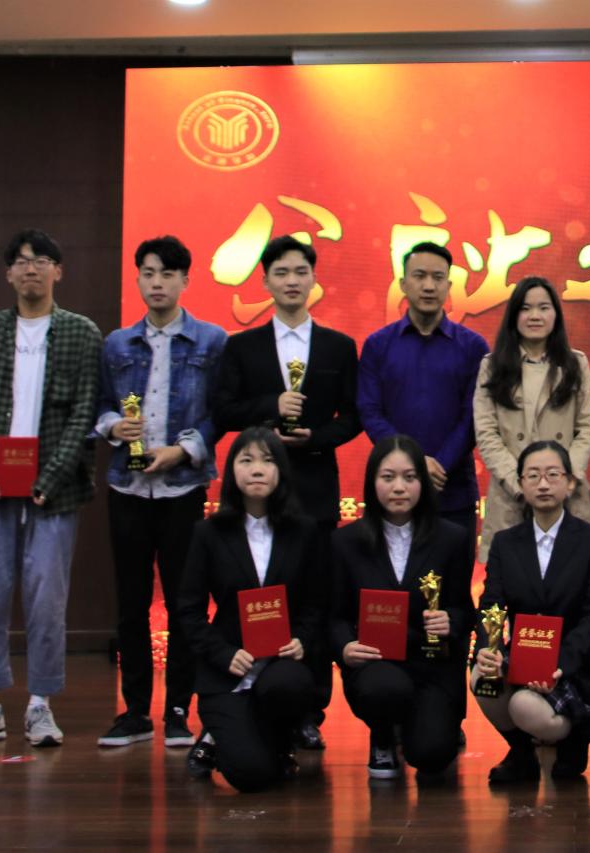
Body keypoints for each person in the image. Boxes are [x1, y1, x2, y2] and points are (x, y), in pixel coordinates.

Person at [0, 229, 102, 749]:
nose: (31, 268)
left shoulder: (81, 332)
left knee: (46, 603)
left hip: (54, 494)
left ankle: (40, 705)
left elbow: (84, 412)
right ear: (8, 273)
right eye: (21, 261)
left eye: (42, 260)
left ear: (59, 271)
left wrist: (51, 475)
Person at [211, 233, 361, 749]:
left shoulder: (339, 346)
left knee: (314, 598)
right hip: (256, 493)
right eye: (281, 273)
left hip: (315, 489)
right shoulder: (241, 346)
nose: (292, 281)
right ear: (265, 281)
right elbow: (224, 410)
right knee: (259, 591)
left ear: (314, 279)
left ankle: (310, 710)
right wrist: (268, 410)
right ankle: (253, 694)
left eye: (300, 272)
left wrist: (315, 437)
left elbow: (353, 418)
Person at [93, 236, 227, 749]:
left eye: (167, 274)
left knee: (183, 602)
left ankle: (177, 712)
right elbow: (101, 404)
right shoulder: (116, 343)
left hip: (182, 488)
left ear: (185, 280)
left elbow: (220, 412)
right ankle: (133, 711)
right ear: (137, 279)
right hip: (127, 487)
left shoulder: (212, 341)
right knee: (130, 602)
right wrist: (112, 426)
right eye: (148, 273)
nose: (157, 283)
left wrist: (184, 449)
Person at [175, 428, 325, 792]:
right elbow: (190, 610)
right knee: (251, 776)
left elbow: (316, 601)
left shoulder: (304, 531)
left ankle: (279, 738)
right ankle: (214, 736)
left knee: (289, 685)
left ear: (281, 471)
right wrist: (223, 653)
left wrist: (302, 639)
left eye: (268, 460)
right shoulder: (209, 533)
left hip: (282, 667)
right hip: (229, 669)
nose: (257, 469)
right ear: (232, 471)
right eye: (246, 460)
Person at [471, 441, 590, 786]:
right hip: (523, 657)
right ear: (521, 484)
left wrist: (560, 663)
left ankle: (573, 739)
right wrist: (489, 647)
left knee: (524, 706)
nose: (543, 484)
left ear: (570, 482)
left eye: (553, 475)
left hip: (576, 663)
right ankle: (521, 753)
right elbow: (492, 603)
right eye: (533, 475)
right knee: (481, 678)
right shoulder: (506, 542)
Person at [331, 435, 475, 781]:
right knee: (384, 690)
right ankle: (382, 733)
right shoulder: (345, 542)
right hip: (376, 665)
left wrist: (451, 621)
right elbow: (335, 615)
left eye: (409, 478)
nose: (399, 487)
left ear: (423, 483)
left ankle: (418, 727)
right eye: (388, 477)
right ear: (372, 482)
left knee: (431, 756)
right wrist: (345, 647)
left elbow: (464, 610)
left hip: (431, 666)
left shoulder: (452, 538)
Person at [359, 242, 491, 554]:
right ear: (403, 284)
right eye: (419, 276)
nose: (429, 286)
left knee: (452, 582)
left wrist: (440, 463)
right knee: (389, 579)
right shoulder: (378, 345)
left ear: (449, 285)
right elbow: (369, 410)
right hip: (392, 494)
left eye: (437, 277)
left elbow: (475, 416)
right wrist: (412, 465)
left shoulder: (473, 347)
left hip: (452, 489)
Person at [473, 276, 590, 562]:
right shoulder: (492, 366)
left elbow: (586, 429)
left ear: (556, 314)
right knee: (511, 578)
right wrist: (521, 484)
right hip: (511, 494)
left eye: (543, 307)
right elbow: (487, 434)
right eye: (525, 308)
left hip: (567, 494)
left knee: (571, 575)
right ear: (513, 315)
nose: (535, 316)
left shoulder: (575, 364)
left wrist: (565, 479)